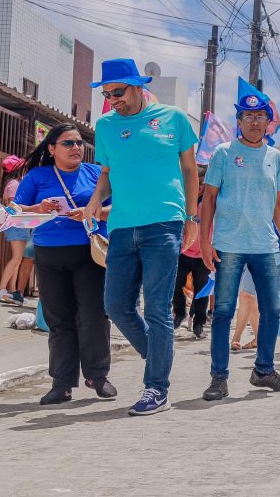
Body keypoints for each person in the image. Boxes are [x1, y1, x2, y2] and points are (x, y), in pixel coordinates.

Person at [83, 59, 199, 416]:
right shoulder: (105, 126)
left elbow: (190, 170)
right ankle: (160, 356)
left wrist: (191, 217)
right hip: (120, 226)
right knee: (116, 305)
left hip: (164, 224)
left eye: (118, 92)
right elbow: (107, 173)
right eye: (107, 94)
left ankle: (156, 388)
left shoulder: (173, 118)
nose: (113, 100)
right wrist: (94, 200)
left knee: (157, 308)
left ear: (137, 86)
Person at [198, 81, 280, 401]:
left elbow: (278, 204)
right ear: (239, 121)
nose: (255, 121)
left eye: (260, 116)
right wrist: (204, 241)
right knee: (224, 311)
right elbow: (209, 198)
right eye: (248, 116)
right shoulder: (223, 153)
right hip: (228, 244)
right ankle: (218, 378)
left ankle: (264, 370)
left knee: (272, 310)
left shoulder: (275, 157)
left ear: (268, 121)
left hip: (265, 246)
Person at [12, 124, 115, 404]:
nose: (76, 148)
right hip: (49, 254)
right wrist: (37, 208)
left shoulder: (96, 174)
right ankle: (62, 384)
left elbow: (119, 206)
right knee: (58, 320)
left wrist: (92, 212)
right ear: (52, 149)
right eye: (68, 143)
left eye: (79, 143)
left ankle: (97, 376)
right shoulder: (37, 176)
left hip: (88, 253)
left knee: (94, 315)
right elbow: (15, 210)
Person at [173, 165, 210, 339]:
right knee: (175, 283)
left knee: (202, 291)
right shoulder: (182, 200)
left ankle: (199, 323)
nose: (200, 187)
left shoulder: (211, 202)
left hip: (204, 255)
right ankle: (179, 312)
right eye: (197, 183)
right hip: (183, 251)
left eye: (203, 183)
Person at [0, 154, 30, 304]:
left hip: (19, 225)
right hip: (16, 224)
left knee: (17, 259)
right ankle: (0, 290)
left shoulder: (11, 183)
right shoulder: (14, 184)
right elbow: (14, 207)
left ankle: (12, 291)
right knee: (17, 258)